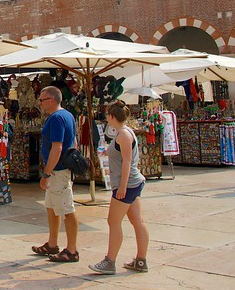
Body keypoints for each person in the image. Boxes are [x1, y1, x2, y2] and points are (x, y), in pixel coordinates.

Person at [89, 101, 150, 275]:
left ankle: (110, 261)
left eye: (107, 115)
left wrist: (122, 186)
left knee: (113, 221)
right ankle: (141, 260)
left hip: (127, 183)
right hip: (133, 183)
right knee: (138, 221)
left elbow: (127, 162)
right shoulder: (124, 133)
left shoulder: (123, 134)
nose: (106, 118)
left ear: (112, 117)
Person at [32, 85, 80, 262]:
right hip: (61, 169)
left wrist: (47, 172)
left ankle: (72, 250)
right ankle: (52, 244)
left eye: (42, 100)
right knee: (52, 207)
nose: (40, 103)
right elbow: (73, 140)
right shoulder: (68, 115)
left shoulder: (56, 118)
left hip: (58, 171)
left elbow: (57, 147)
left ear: (51, 100)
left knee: (67, 209)